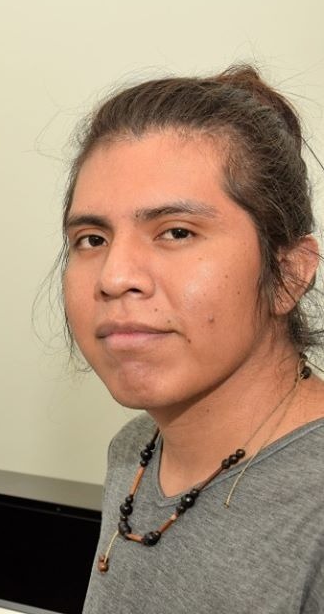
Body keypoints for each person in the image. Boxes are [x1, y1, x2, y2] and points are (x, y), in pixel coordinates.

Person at [61, 65, 324, 612]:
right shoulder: (136, 450)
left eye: (176, 232)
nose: (114, 276)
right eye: (91, 238)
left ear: (290, 274)